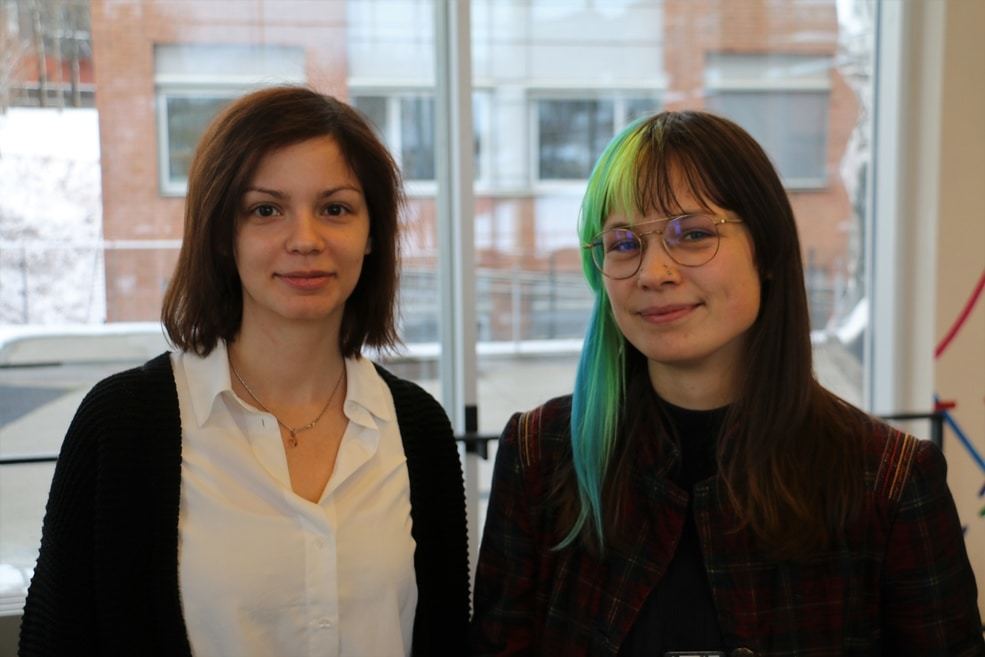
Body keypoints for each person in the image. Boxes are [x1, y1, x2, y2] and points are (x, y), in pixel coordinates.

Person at [469, 110, 984, 656]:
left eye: (691, 234)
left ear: (766, 251)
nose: (653, 272)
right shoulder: (540, 455)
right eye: (623, 244)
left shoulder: (888, 481)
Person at [20, 86, 470, 657]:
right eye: (265, 210)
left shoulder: (419, 429)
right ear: (221, 234)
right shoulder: (123, 426)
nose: (305, 240)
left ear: (372, 233)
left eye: (335, 209)